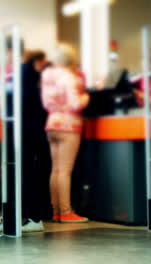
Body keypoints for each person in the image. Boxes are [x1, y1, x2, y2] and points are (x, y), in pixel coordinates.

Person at [41, 44, 90, 223]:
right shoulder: (68, 77)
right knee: (65, 171)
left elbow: (46, 102)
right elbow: (75, 104)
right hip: (69, 126)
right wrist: (86, 97)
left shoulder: (47, 78)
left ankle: (55, 211)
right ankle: (66, 212)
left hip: (52, 123)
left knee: (55, 171)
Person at [20, 50, 52, 231]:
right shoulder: (31, 75)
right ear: (38, 61)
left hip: (24, 131)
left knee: (26, 172)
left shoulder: (23, 74)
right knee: (34, 172)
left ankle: (29, 215)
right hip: (34, 131)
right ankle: (36, 216)